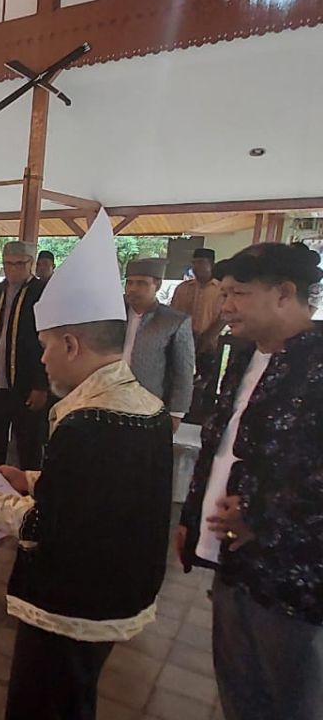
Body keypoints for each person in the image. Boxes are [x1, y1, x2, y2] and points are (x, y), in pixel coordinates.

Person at [0, 212, 172, 720]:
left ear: (71, 343)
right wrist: (27, 477)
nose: (43, 359)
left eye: (46, 346)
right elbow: (99, 488)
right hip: (118, 584)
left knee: (43, 701)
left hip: (75, 598)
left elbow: (47, 525)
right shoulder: (142, 404)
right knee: (75, 695)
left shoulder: (88, 419)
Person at [177, 243, 323, 720]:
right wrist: (190, 514)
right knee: (239, 686)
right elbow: (220, 447)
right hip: (232, 562)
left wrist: (263, 515)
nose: (226, 307)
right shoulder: (244, 356)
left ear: (285, 293)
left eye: (237, 293)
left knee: (290, 698)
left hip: (291, 576)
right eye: (222, 294)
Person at [0, 241, 49, 469]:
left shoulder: (42, 292)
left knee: (28, 444)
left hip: (26, 384)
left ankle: (28, 497)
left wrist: (41, 384)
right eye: (8, 264)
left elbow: (47, 342)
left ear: (30, 264)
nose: (13, 269)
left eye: (19, 264)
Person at [123, 258, 195, 427]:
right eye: (129, 282)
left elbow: (183, 372)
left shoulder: (173, 321)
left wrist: (177, 413)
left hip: (148, 405)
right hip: (109, 401)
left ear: (158, 285)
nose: (132, 289)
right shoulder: (113, 315)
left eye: (141, 283)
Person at [171, 247, 226, 412]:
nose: (196, 267)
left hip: (208, 345)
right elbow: (173, 314)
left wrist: (206, 338)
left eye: (201, 263)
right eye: (194, 263)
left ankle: (200, 414)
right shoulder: (183, 288)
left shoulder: (221, 290)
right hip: (181, 343)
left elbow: (223, 317)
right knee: (179, 382)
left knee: (203, 384)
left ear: (211, 265)